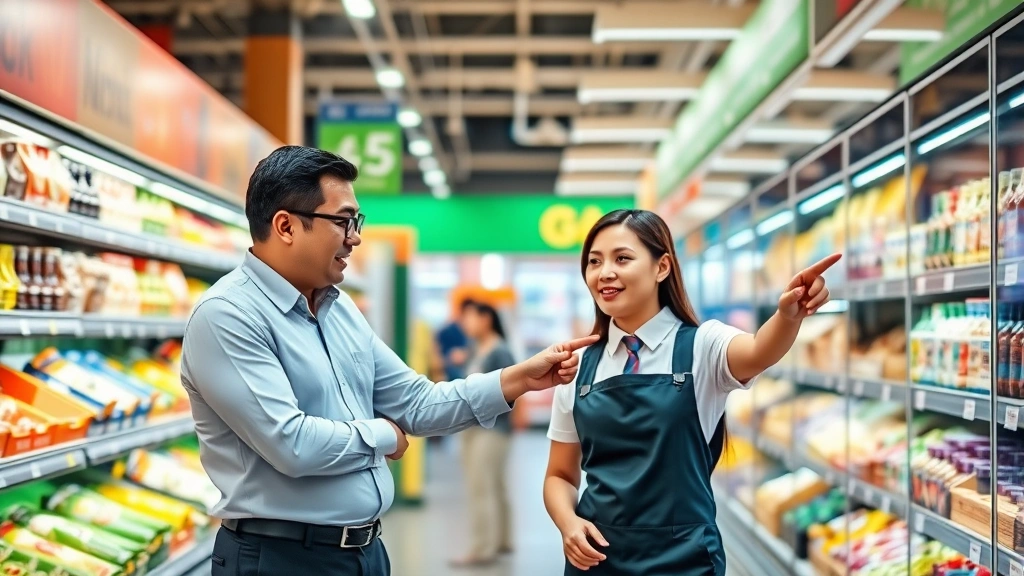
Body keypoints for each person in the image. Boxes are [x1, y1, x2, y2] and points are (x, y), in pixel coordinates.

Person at [180, 145, 597, 575]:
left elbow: (418, 402)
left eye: (356, 222)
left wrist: (517, 379)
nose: (355, 237)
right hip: (282, 559)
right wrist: (384, 435)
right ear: (285, 226)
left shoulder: (338, 310)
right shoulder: (227, 317)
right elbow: (292, 445)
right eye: (343, 221)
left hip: (364, 554)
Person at [543, 209, 839, 575]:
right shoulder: (577, 367)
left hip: (683, 560)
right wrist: (568, 523)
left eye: (622, 258)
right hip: (597, 558)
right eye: (594, 261)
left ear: (661, 267)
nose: (605, 272)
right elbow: (560, 475)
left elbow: (760, 350)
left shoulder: (703, 346)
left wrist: (788, 316)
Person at [451, 301, 517, 568]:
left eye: (470, 318)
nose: (466, 324)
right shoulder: (476, 348)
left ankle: (482, 548)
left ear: (486, 318)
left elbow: (513, 386)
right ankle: (502, 539)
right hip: (474, 426)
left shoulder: (499, 350)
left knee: (482, 487)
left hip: (492, 429)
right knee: (494, 485)